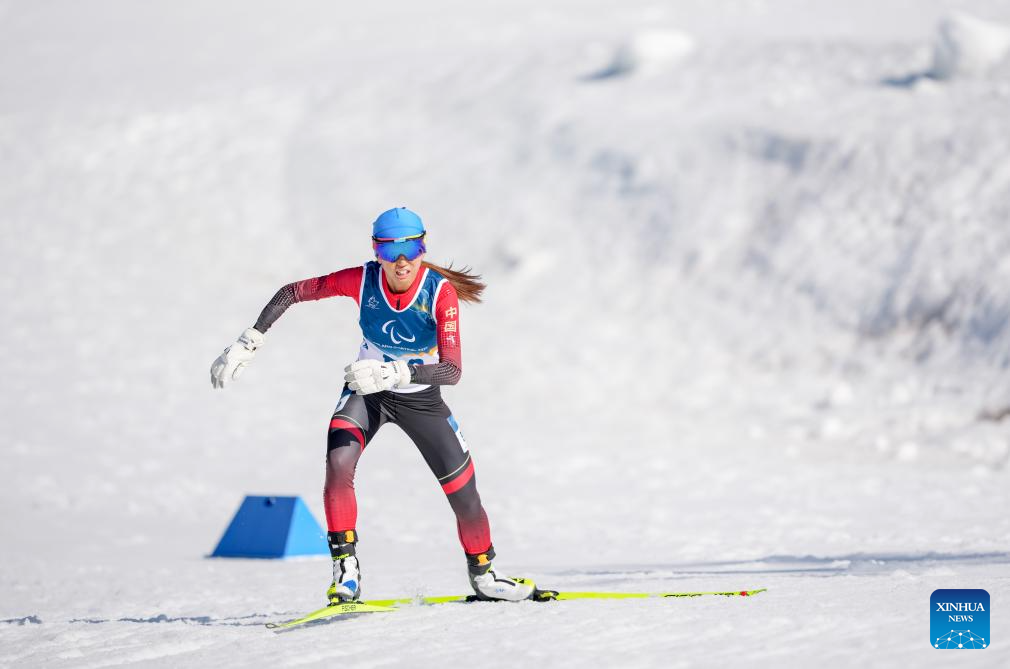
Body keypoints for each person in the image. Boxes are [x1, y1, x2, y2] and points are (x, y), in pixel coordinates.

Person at [210, 207, 535, 604]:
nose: (402, 260)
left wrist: (397, 373)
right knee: (338, 463)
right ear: (376, 251)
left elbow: (452, 370)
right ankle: (345, 570)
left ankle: (483, 575)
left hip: (421, 401)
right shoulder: (362, 280)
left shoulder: (439, 293)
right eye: (390, 250)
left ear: (423, 248)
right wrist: (249, 340)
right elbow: (292, 292)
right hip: (367, 393)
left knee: (465, 496)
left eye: (411, 248)